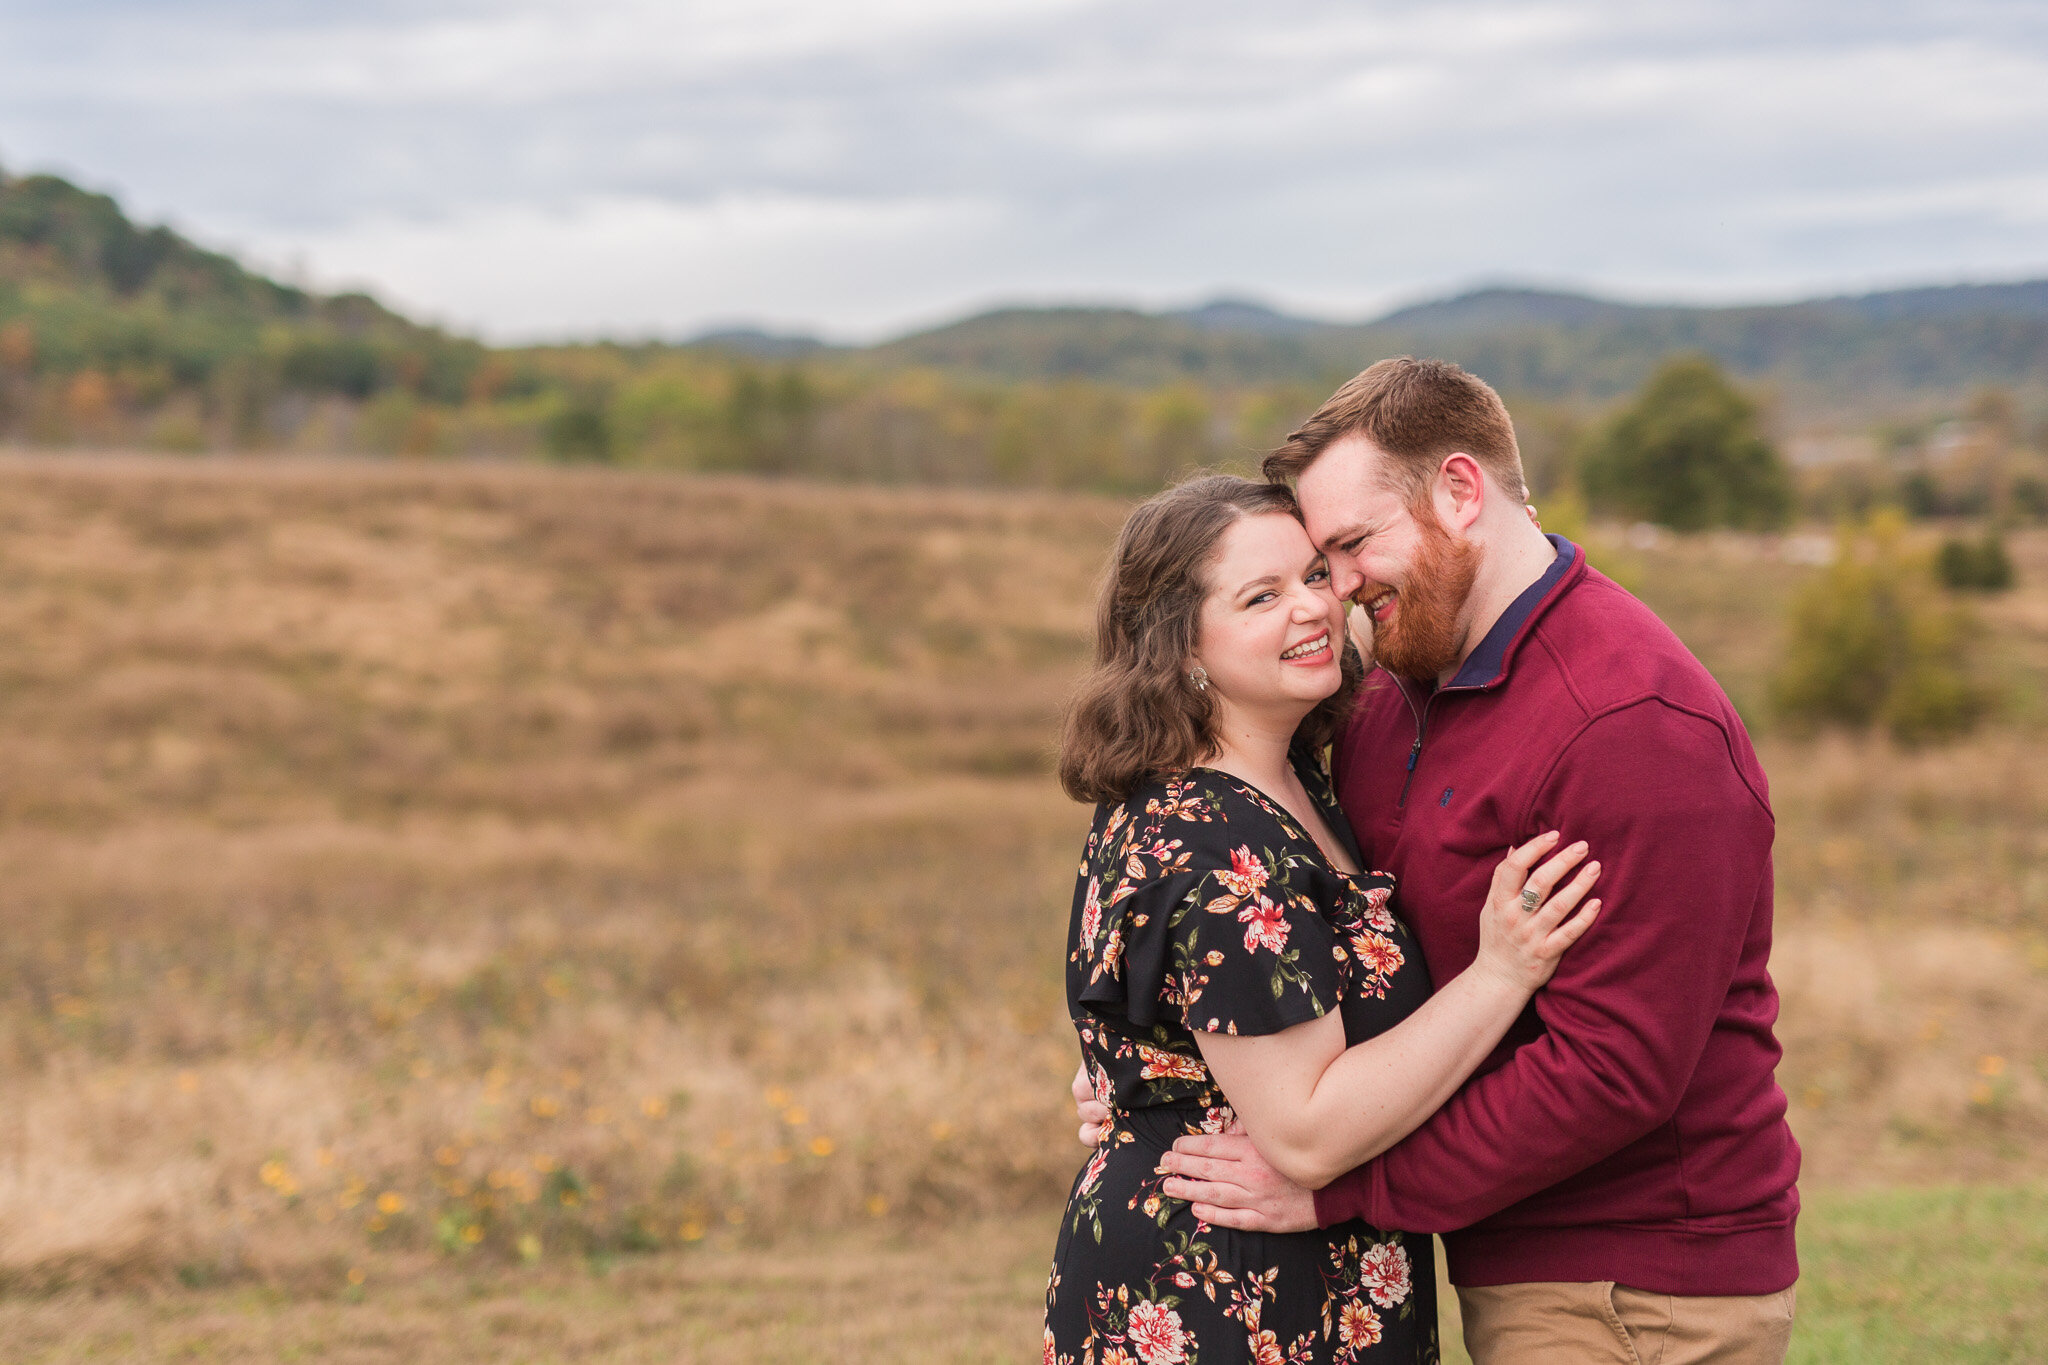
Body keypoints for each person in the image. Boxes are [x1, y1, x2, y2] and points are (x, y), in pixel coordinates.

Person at [1082, 358, 1802, 1364]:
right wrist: (1174, 1078)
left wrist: (1340, 1180)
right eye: (1309, 563)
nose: (1335, 591)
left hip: (1636, 1279)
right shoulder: (1386, 705)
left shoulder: (1628, 723)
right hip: (1491, 1253)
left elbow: (1613, 1067)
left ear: (1459, 493)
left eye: (1346, 548)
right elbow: (1351, 963)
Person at [1046, 474, 1602, 1365]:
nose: (1312, 610)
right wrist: (1502, 974)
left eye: (1313, 576)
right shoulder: (1220, 833)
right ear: (1179, 644)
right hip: (1228, 1294)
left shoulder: (1293, 779)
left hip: (1297, 1272)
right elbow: (1306, 1132)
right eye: (1261, 596)